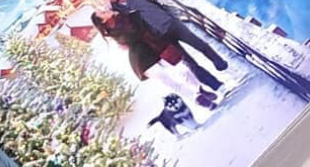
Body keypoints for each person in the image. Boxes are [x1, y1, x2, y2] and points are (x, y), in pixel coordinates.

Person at [96, 0, 231, 96]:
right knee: (189, 64)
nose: (109, 0)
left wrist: (173, 17)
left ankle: (220, 63)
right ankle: (218, 86)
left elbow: (162, 0)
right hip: (160, 38)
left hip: (172, 24)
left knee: (199, 44)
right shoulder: (117, 9)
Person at [90, 6, 220, 110]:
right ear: (103, 21)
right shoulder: (113, 33)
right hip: (142, 59)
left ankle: (199, 89)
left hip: (156, 46)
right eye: (102, 12)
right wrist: (133, 21)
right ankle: (198, 100)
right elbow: (133, 34)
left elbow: (139, 26)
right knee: (169, 81)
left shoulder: (125, 15)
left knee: (183, 69)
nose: (105, 9)